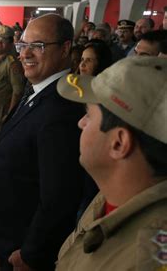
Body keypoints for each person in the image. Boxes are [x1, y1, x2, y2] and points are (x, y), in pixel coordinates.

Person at [0, 14, 87, 271]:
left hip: (23, 248)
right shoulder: (39, 89)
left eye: (37, 46)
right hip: (11, 236)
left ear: (65, 48)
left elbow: (59, 198)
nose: (24, 54)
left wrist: (31, 254)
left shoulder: (60, 109)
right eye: (22, 45)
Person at [55, 56, 167, 270]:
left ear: (118, 143)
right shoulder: (112, 195)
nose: (81, 122)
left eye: (88, 115)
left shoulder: (151, 257)